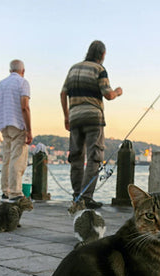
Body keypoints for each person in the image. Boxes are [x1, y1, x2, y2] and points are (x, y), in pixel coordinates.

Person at [60, 40, 123, 209]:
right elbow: (108, 95)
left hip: (74, 118)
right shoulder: (99, 69)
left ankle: (76, 196)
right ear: (102, 55)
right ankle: (86, 197)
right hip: (93, 118)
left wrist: (66, 116)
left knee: (76, 158)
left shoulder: (73, 69)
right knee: (95, 156)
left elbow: (63, 93)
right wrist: (117, 91)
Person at [0, 59, 32, 202]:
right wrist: (29, 130)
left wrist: (2, 123)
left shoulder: (1, 85)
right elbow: (25, 107)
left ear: (10, 71)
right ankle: (15, 192)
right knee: (17, 159)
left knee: (7, 159)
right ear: (23, 71)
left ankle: (5, 191)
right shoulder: (23, 83)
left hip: (4, 125)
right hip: (18, 125)